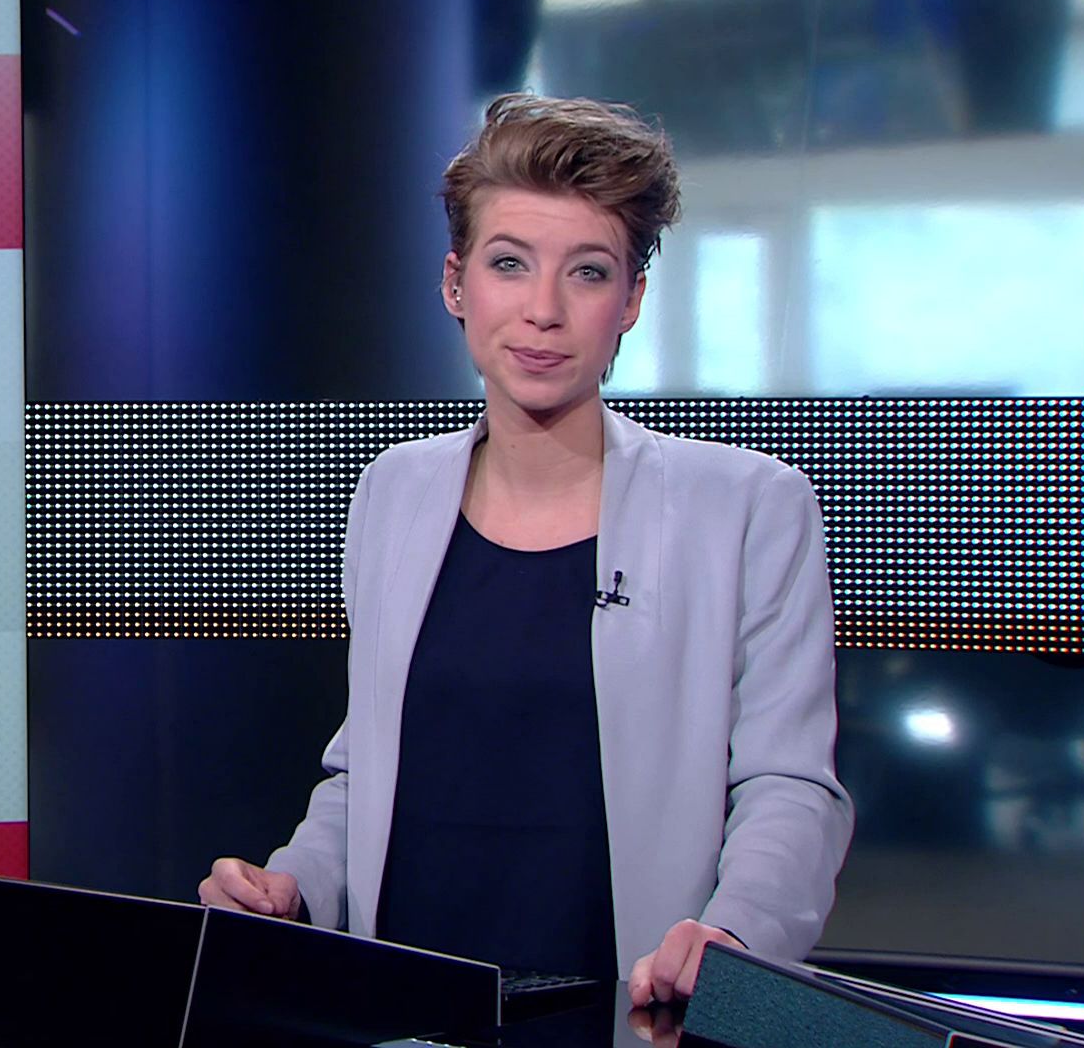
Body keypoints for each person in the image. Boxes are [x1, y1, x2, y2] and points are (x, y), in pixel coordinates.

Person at [197, 93, 852, 1008]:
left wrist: (736, 937)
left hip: (628, 1008)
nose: (543, 310)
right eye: (510, 264)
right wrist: (294, 884)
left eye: (587, 273)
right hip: (405, 1007)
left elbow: (789, 782)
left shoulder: (746, 505)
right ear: (456, 284)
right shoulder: (394, 490)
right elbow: (369, 768)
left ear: (631, 301)